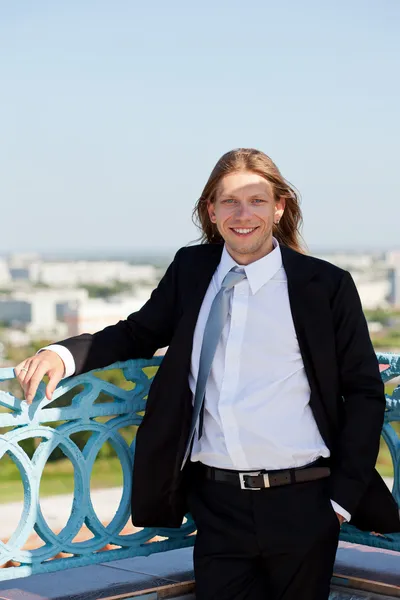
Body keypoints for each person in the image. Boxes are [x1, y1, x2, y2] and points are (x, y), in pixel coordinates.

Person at [16, 148, 400, 600]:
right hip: (217, 506)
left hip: (305, 502)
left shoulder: (326, 285)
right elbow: (138, 332)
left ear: (279, 208)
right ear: (211, 211)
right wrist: (64, 354)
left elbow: (363, 393)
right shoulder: (191, 269)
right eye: (230, 202)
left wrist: (337, 504)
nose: (243, 214)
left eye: (257, 201)